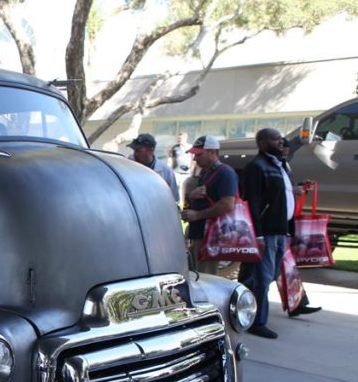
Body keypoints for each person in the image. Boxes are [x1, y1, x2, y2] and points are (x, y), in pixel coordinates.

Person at [238, 131, 321, 337]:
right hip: (266, 232)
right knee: (264, 278)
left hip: (281, 230)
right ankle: (257, 322)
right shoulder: (257, 167)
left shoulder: (279, 165)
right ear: (262, 143)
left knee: (270, 274)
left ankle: (239, 300)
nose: (281, 143)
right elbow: (253, 203)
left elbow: (283, 196)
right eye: (276, 140)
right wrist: (257, 235)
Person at [180, 135, 238, 275]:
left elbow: (228, 204)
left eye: (199, 155)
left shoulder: (225, 172)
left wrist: (198, 215)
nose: (195, 159)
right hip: (200, 234)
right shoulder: (206, 173)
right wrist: (192, 198)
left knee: (205, 278)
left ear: (212, 152)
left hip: (211, 236)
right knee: (197, 276)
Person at [128, 133, 178, 200]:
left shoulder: (166, 171)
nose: (135, 154)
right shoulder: (128, 166)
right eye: (134, 150)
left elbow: (174, 199)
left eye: (138, 151)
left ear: (151, 150)